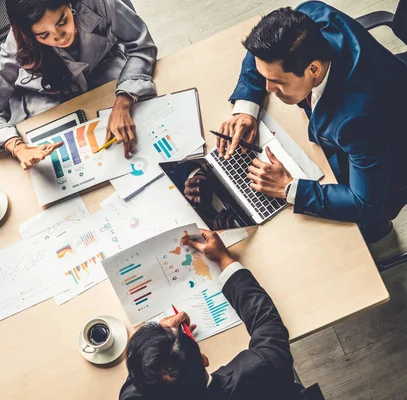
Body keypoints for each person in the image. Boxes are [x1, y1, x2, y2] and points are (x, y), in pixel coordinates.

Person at [217, 2, 407, 243]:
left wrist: (289, 188)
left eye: (278, 82)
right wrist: (246, 107)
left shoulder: (356, 122)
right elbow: (260, 55)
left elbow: (364, 202)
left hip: (390, 157)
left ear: (313, 69)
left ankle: (374, 232)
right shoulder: (308, 16)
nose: (267, 88)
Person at [119, 230, 303, 399]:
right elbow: (267, 325)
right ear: (203, 360)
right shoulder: (261, 368)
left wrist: (153, 346)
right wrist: (225, 260)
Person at [0, 0, 157, 167]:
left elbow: (141, 46)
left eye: (62, 21)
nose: (60, 37)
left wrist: (125, 99)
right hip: (48, 97)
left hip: (103, 71)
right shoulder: (16, 43)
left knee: (141, 133)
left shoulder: (98, 3)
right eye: (43, 35)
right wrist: (16, 147)